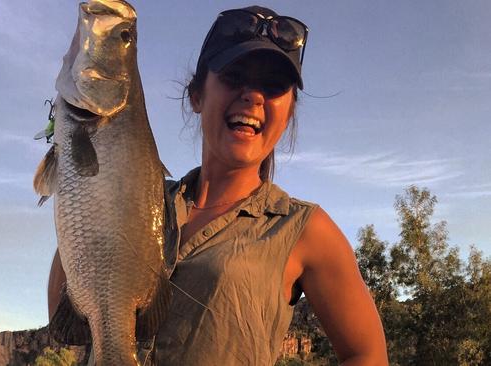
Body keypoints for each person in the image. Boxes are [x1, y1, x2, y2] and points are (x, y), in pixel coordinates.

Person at [48, 4, 388, 365]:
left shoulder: (305, 230)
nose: (253, 95)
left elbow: (366, 353)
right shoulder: (144, 196)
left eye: (273, 86)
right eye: (233, 75)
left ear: (289, 113)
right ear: (197, 95)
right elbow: (60, 309)